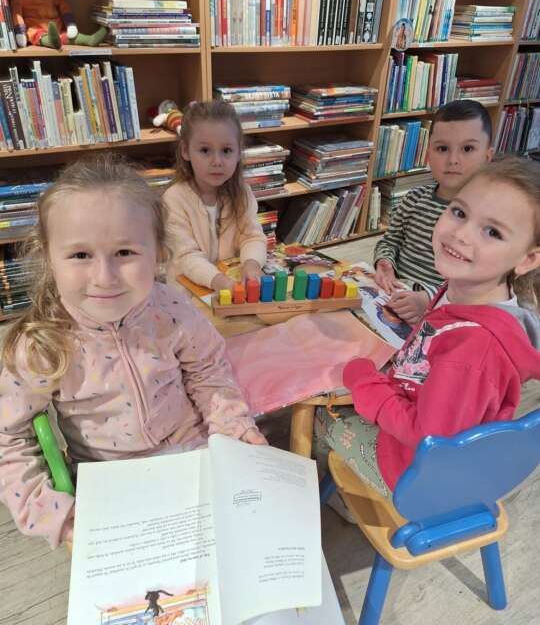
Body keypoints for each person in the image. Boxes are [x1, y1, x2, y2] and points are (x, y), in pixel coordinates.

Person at [0, 154, 265, 549]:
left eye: (125, 253)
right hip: (111, 479)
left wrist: (234, 428)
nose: (104, 278)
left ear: (159, 252)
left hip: (194, 453)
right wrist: (55, 515)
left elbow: (209, 371)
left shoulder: (172, 307)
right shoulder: (41, 343)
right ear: (48, 256)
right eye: (80, 255)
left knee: (248, 544)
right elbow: (8, 438)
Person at [316, 156, 540, 505]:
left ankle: (351, 498)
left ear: (527, 260)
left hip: (412, 473)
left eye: (492, 232)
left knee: (321, 415)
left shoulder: (473, 351)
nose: (460, 234)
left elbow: (428, 437)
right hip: (425, 423)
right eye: (459, 212)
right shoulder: (463, 290)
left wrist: (367, 386)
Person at [373, 99, 494, 324]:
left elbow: (478, 281)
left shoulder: (487, 221)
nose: (453, 160)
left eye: (467, 149)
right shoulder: (414, 198)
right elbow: (390, 241)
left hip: (445, 311)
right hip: (394, 295)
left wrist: (428, 298)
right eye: (442, 148)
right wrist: (385, 262)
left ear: (487, 157)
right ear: (428, 155)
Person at [163, 100, 267, 292]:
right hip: (188, 290)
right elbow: (186, 257)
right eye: (205, 150)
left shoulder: (242, 192)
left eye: (226, 151)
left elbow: (252, 237)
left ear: (238, 152)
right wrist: (218, 281)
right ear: (185, 151)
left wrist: (252, 263)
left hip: (229, 285)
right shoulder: (174, 199)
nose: (217, 161)